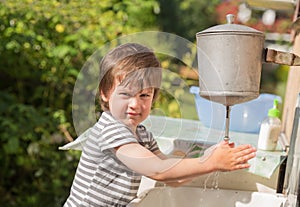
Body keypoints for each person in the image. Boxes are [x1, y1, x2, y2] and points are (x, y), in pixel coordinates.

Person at [64, 43, 256, 207]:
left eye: (144, 95)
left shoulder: (142, 135)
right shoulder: (110, 130)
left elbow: (173, 178)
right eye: (125, 94)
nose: (135, 104)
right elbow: (157, 169)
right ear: (105, 93)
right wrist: (211, 162)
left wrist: (209, 161)